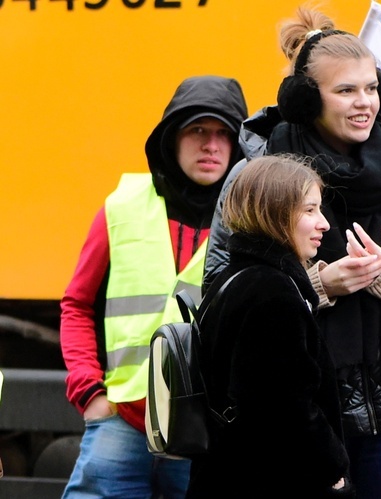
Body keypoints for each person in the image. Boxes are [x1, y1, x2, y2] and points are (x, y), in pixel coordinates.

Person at [203, 6, 381, 498]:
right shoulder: (255, 180)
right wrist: (315, 288)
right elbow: (219, 301)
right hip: (299, 417)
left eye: (371, 88)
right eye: (346, 90)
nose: (364, 103)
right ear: (307, 100)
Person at [60, 75, 248, 498]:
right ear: (171, 138)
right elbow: (77, 305)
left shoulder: (250, 222)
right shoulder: (122, 206)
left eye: (223, 133)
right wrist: (88, 391)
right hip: (122, 423)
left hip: (207, 434)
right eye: (198, 130)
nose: (211, 145)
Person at [186, 153, 354, 498]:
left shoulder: (236, 278)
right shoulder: (272, 292)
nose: (323, 223)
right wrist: (334, 471)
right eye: (309, 210)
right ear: (274, 213)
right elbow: (286, 409)